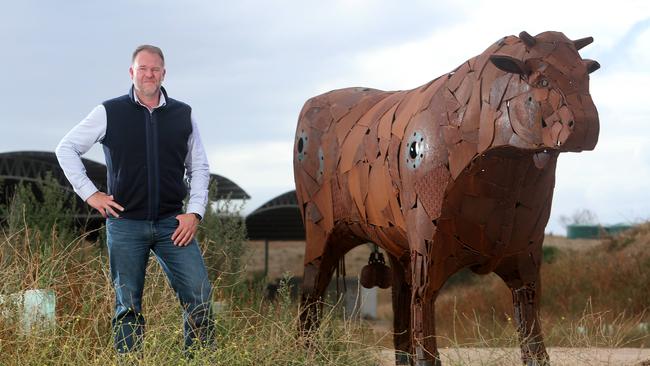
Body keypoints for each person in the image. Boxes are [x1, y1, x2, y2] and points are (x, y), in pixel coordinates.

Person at [55, 45, 214, 354]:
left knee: (199, 295)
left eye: (155, 69)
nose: (149, 74)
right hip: (125, 224)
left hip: (173, 224)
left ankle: (199, 359)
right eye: (142, 68)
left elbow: (200, 167)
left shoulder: (183, 114)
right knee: (127, 305)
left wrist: (194, 212)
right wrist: (92, 194)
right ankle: (131, 361)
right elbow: (66, 148)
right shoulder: (109, 112)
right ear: (132, 73)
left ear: (164, 73)